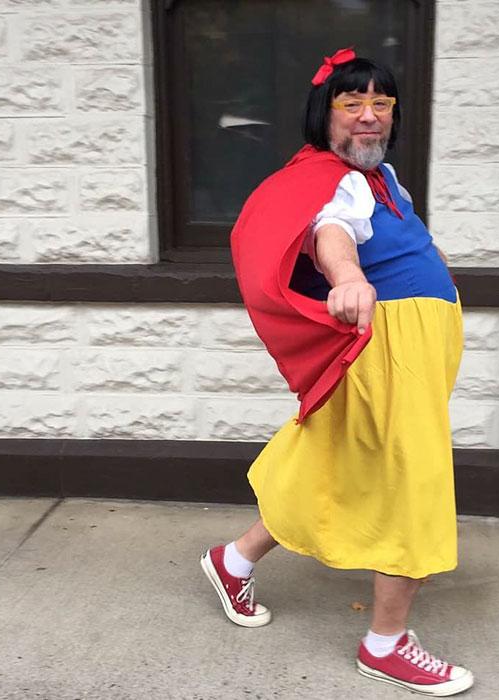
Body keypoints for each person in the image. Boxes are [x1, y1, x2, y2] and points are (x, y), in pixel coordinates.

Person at [200, 47, 474, 697]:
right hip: (388, 351)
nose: (369, 115)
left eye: (381, 103)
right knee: (413, 485)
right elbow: (333, 236)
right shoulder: (335, 185)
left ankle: (234, 560)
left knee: (332, 463)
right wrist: (347, 278)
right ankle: (386, 644)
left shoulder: (385, 179)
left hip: (414, 347)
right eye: (352, 104)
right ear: (324, 115)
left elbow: (406, 239)